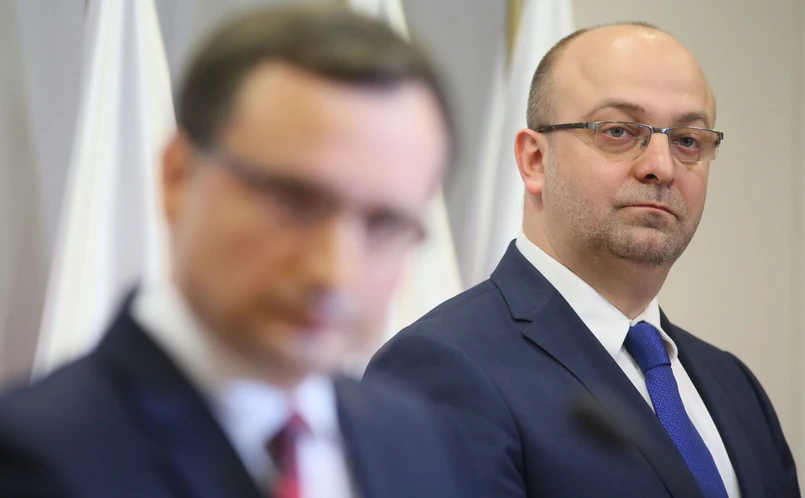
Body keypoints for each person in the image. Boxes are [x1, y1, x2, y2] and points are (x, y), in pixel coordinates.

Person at [0, 5, 467, 498]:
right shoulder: (34, 460)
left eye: (384, 225)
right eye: (293, 202)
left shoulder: (415, 441)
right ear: (178, 177)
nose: (332, 271)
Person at [366, 22, 800, 498]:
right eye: (618, 131)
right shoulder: (442, 368)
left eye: (687, 141)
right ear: (534, 160)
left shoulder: (736, 386)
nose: (661, 166)